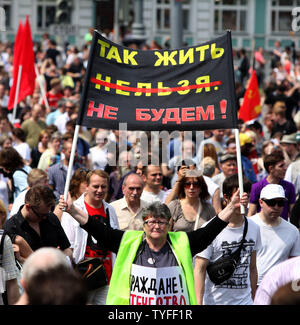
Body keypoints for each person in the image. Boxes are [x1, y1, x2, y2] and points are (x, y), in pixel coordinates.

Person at [59, 187, 248, 305]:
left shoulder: (182, 242)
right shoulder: (128, 241)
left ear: (169, 224)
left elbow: (209, 232)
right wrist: (73, 209)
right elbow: (99, 230)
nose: (156, 226)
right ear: (144, 224)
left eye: (161, 222)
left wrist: (231, 206)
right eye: (151, 222)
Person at [194, 174, 261, 305]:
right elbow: (199, 269)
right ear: (226, 198)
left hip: (245, 301)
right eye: (238, 196)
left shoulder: (254, 228)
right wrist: (198, 302)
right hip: (215, 301)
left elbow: (252, 267)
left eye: (245, 196)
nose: (242, 201)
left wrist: (254, 298)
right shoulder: (210, 229)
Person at [60, 170, 119, 305]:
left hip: (107, 276)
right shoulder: (72, 210)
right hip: (82, 277)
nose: (100, 190)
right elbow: (67, 247)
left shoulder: (110, 210)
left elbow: (114, 239)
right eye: (95, 186)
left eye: (103, 187)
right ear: (87, 186)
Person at [3, 186, 72, 262]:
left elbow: (67, 249)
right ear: (28, 207)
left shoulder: (51, 218)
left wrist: (63, 258)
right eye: (42, 215)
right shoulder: (11, 227)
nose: (45, 218)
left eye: (47, 213)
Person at [249, 184, 300, 285]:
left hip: (279, 288)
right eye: (271, 202)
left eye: (280, 203)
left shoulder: (292, 230)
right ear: (261, 202)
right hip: (252, 286)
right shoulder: (248, 225)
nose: (276, 207)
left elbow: (295, 264)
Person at [248, 149, 296, 221]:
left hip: (283, 229)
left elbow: (293, 213)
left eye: (280, 203)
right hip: (262, 229)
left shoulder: (289, 187)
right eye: (281, 166)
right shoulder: (256, 187)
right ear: (271, 168)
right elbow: (251, 212)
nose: (285, 168)